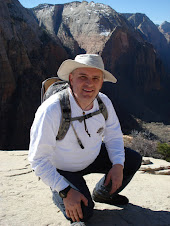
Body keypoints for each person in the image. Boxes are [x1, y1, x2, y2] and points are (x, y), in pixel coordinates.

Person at [28, 54, 142, 226]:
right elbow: (37, 160)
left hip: (92, 156)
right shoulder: (52, 110)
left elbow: (113, 135)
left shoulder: (103, 102)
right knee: (84, 214)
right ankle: (59, 191)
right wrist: (65, 191)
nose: (90, 84)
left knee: (132, 160)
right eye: (83, 77)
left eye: (95, 78)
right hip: (63, 168)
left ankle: (103, 193)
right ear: (71, 79)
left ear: (101, 82)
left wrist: (118, 165)